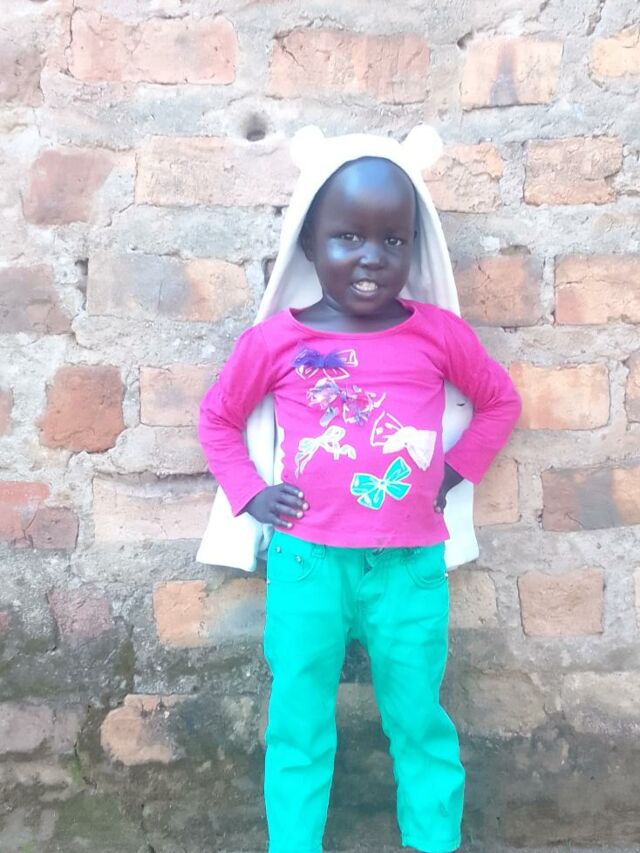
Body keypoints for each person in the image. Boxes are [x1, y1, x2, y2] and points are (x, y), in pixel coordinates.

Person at [198, 126, 521, 853]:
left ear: (414, 248)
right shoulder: (276, 342)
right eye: (347, 237)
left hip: (410, 569)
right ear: (311, 246)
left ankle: (434, 841)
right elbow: (217, 418)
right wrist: (250, 493)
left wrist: (451, 471)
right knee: (298, 721)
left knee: (419, 720)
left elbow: (499, 401)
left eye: (392, 240)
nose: (371, 257)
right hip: (306, 564)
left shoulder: (438, 335)